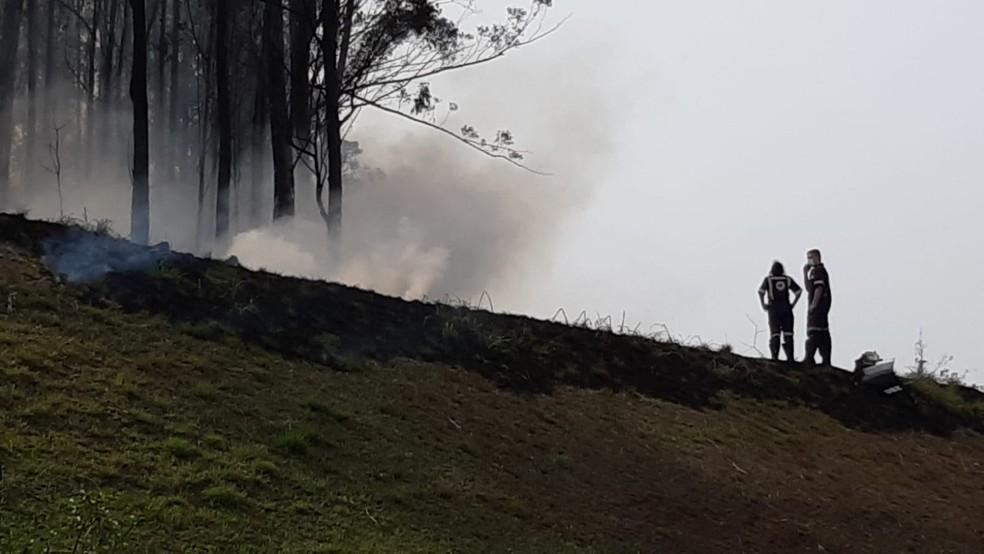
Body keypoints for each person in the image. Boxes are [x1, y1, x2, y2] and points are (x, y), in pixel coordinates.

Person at [758, 261, 802, 362]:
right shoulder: (787, 279)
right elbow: (798, 291)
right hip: (786, 307)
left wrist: (763, 304)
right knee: (788, 333)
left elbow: (760, 292)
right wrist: (793, 304)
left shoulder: (768, 280)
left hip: (773, 308)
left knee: (775, 332)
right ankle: (790, 357)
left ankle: (775, 356)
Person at [803, 248, 832, 366]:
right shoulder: (814, 271)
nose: (809, 260)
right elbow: (809, 288)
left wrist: (814, 304)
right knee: (821, 332)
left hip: (819, 306)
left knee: (815, 330)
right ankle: (822, 359)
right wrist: (805, 273)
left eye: (811, 257)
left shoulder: (818, 271)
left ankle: (810, 357)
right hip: (819, 306)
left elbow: (819, 288)